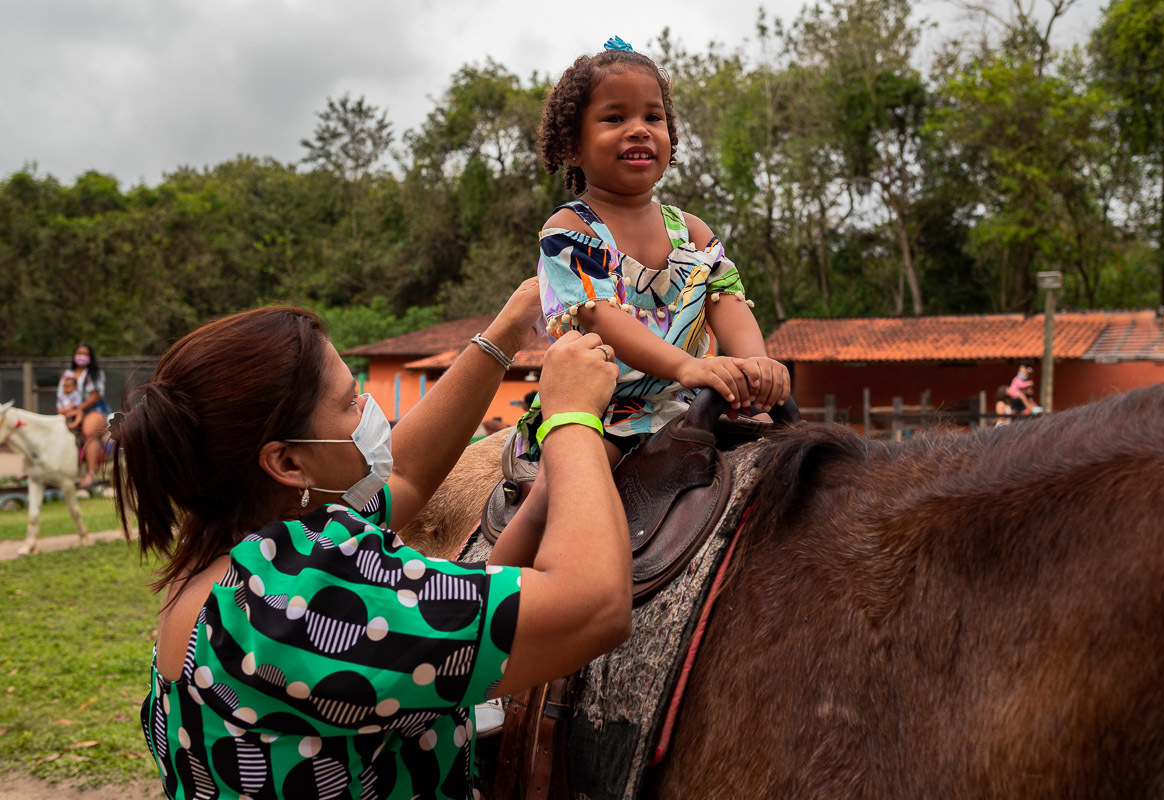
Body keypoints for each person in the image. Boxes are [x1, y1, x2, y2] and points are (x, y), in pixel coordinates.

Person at [115, 280, 630, 799]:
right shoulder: (301, 601)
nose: (367, 406)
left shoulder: (236, 554)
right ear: (288, 462)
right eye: (348, 403)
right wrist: (570, 418)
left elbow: (403, 474)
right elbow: (592, 605)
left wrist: (506, 332)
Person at [504, 36, 791, 543]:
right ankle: (494, 594)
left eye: (653, 118)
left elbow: (726, 302)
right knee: (559, 491)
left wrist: (754, 365)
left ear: (670, 138)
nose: (639, 129)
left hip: (690, 396)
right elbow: (599, 315)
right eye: (614, 118)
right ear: (572, 144)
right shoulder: (570, 230)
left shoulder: (693, 230)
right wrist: (686, 364)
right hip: (604, 404)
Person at [58, 343, 110, 486]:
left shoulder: (96, 373)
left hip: (94, 409)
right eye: (79, 353)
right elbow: (61, 395)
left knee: (89, 432)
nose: (81, 356)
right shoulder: (67, 374)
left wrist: (79, 409)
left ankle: (91, 473)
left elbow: (95, 396)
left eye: (85, 354)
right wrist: (62, 409)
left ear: (91, 357)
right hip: (70, 411)